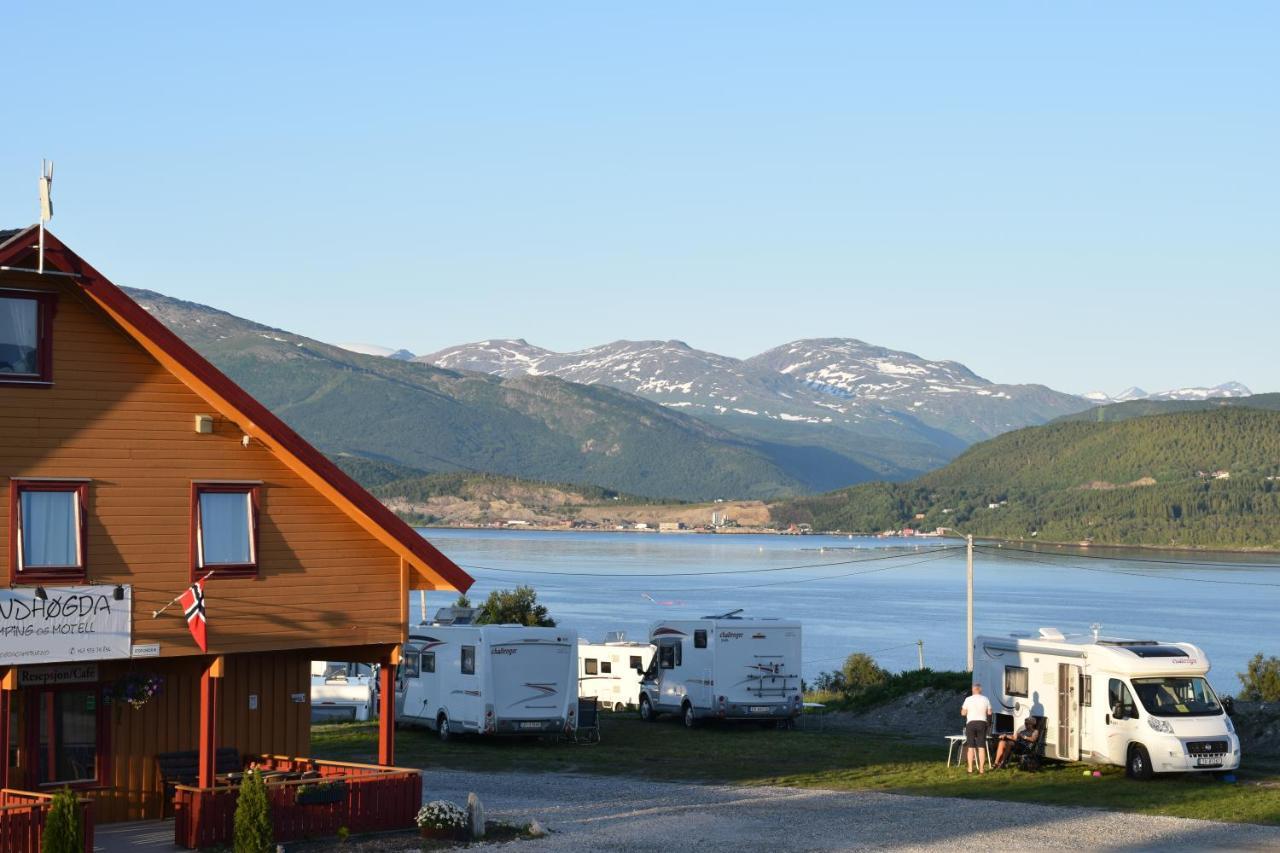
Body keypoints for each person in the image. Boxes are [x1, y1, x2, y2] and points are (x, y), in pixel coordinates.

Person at [960, 683, 993, 774]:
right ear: (980, 690)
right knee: (981, 747)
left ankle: (970, 769)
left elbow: (963, 713)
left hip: (971, 723)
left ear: (973, 689)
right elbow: (990, 712)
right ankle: (981, 769)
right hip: (982, 723)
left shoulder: (968, 699)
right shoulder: (985, 699)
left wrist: (967, 711)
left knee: (970, 747)